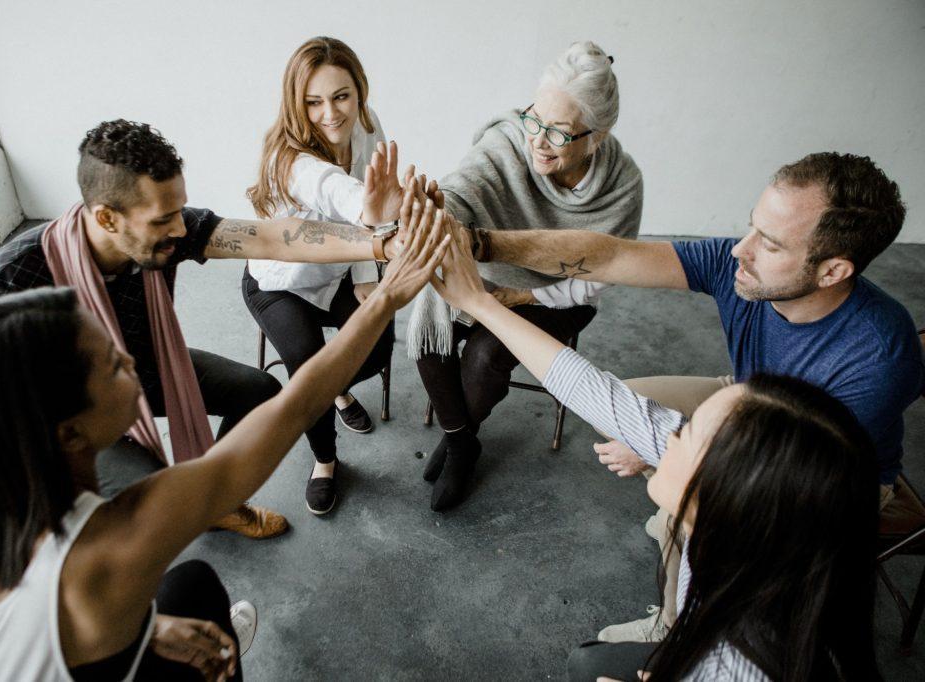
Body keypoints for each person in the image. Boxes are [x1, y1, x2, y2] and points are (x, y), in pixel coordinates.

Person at [0, 209, 448, 680]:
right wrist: (387, 298)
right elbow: (296, 405)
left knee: (189, 587)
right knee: (196, 598)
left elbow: (28, 639)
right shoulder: (113, 550)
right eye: (115, 366)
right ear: (70, 433)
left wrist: (144, 628)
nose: (131, 362)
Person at [452, 151, 924, 639]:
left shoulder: (880, 358)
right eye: (751, 227)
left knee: (699, 511)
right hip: (751, 397)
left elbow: (769, 474)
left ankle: (674, 629)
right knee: (623, 414)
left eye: (771, 244)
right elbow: (609, 255)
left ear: (831, 272)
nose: (741, 250)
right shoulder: (741, 265)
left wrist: (671, 456)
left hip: (823, 473)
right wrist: (477, 242)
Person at [0, 119, 408, 538]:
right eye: (162, 220)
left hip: (143, 368)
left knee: (257, 391)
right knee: (152, 509)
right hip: (68, 419)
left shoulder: (169, 231)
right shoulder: (12, 282)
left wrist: (378, 242)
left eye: (179, 211)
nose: (179, 229)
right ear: (107, 219)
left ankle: (214, 504)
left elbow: (273, 237)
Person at [410, 40, 643, 512]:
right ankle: (460, 440)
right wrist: (439, 212)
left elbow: (597, 276)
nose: (536, 139)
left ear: (596, 136)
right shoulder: (510, 139)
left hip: (562, 296)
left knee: (486, 353)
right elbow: (466, 185)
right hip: (487, 271)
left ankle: (461, 438)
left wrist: (523, 296)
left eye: (557, 132)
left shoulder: (622, 188)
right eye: (533, 118)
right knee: (430, 329)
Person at [244, 36, 408, 515]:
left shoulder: (368, 127)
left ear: (359, 92)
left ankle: (334, 385)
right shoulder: (288, 159)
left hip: (338, 269)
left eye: (341, 96)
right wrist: (373, 214)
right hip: (280, 284)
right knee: (306, 363)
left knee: (377, 343)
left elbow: (368, 193)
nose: (330, 114)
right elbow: (339, 192)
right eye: (313, 102)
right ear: (297, 104)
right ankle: (325, 460)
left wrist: (365, 270)